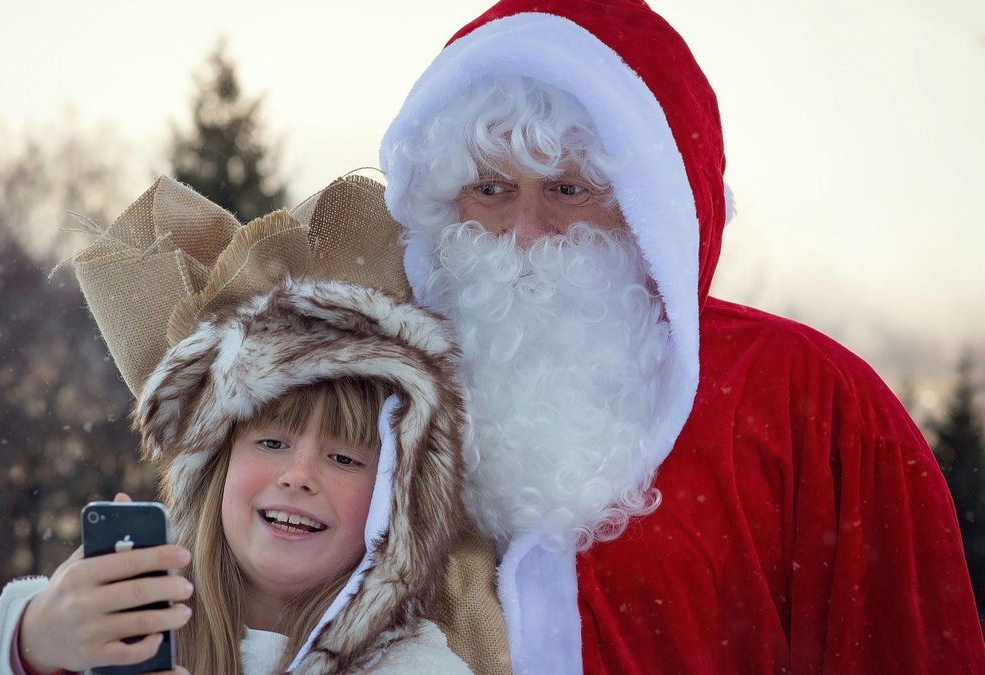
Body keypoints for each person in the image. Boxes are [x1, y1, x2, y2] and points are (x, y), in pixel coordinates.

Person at [378, 0, 985, 673]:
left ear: (649, 208)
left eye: (568, 189)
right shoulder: (366, 397)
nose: (525, 234)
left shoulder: (811, 402)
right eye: (490, 188)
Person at [0, 176, 472, 674]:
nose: (297, 475)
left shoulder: (416, 666)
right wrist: (35, 641)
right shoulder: (121, 631)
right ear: (216, 464)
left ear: (395, 503)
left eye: (343, 458)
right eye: (272, 441)